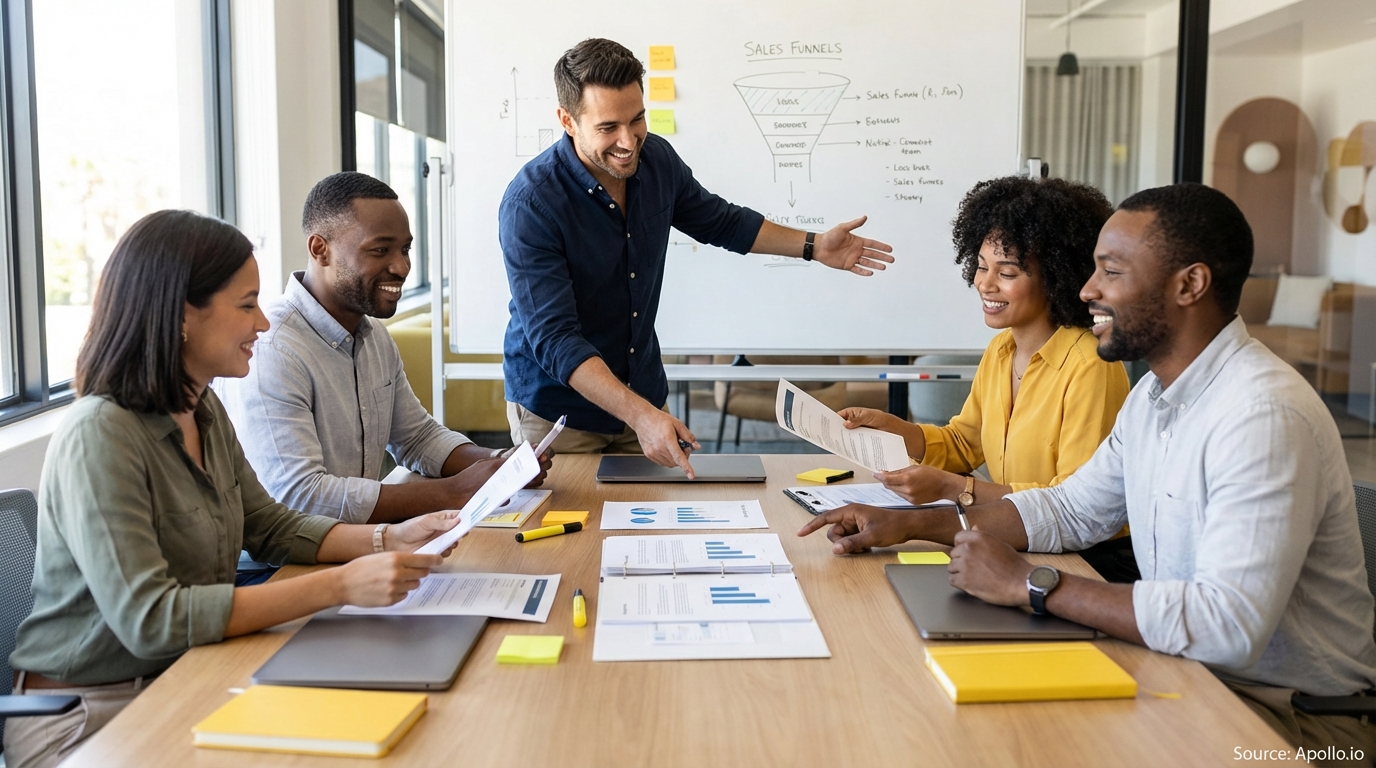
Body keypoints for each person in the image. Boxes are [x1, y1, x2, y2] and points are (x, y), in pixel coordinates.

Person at [799, 184, 1376, 760]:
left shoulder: (1260, 414)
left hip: (1291, 723)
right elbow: (1071, 508)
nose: (1086, 289)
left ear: (1190, 285)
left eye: (1111, 272)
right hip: (1190, 673)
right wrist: (910, 525)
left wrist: (1031, 584)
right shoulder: (1154, 396)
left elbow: (1225, 623)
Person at [5, 210, 461, 768]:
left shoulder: (204, 406)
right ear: (180, 317)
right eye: (247, 305)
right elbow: (154, 620)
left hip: (187, 676)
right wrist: (339, 585)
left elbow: (267, 526)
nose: (263, 325)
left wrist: (388, 539)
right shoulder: (101, 433)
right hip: (89, 717)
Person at [500, 38, 895, 478]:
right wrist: (643, 416)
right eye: (608, 127)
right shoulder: (531, 204)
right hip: (559, 413)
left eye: (637, 119)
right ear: (567, 121)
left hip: (643, 395)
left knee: (650, 531)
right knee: (570, 539)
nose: (629, 142)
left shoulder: (657, 162)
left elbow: (722, 222)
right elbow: (556, 339)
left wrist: (814, 245)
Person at [218, 173, 549, 531]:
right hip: (280, 567)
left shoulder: (373, 335)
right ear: (320, 249)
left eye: (405, 249)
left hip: (351, 546)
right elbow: (300, 496)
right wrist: (451, 492)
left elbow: (417, 437)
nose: (402, 267)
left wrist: (498, 465)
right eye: (380, 250)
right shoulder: (274, 350)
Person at [839, 176, 1129, 508]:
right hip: (1016, 535)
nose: (984, 284)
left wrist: (957, 489)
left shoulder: (1090, 365)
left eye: (1006, 274)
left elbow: (1076, 504)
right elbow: (964, 444)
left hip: (1083, 556)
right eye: (980, 267)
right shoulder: (1002, 350)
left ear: (1055, 277)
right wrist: (896, 430)